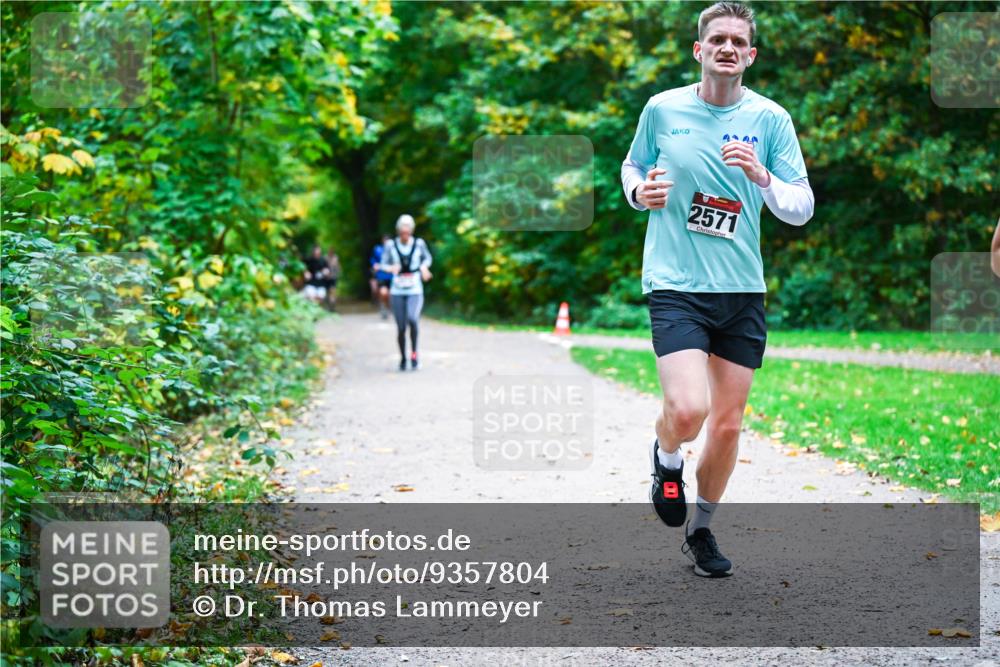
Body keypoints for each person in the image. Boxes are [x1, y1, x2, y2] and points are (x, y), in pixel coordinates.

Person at [621, 1, 814, 577]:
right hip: (676, 283)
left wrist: (762, 176)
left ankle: (701, 532)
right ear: (699, 50)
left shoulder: (771, 120)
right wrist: (639, 194)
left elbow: (801, 208)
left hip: (740, 291)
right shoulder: (662, 109)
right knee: (687, 411)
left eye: (738, 41)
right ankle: (666, 456)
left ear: (750, 56)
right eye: (717, 39)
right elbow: (632, 168)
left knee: (727, 425)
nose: (727, 48)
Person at [380, 215, 432, 371]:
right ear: (398, 231)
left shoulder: (419, 244)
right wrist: (391, 268)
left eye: (407, 232)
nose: (405, 235)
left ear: (411, 231)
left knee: (413, 319)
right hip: (397, 290)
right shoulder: (391, 245)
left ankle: (414, 355)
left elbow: (427, 258)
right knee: (401, 327)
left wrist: (424, 268)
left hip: (414, 289)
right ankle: (403, 358)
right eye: (402, 232)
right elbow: (383, 264)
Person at [370, 234, 393, 319]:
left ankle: (388, 308)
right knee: (383, 293)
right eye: (385, 240)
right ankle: (383, 306)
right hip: (381, 275)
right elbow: (373, 260)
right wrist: (374, 265)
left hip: (392, 276)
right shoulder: (378, 249)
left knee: (390, 294)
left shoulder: (394, 250)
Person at [324, 247, 341, 311]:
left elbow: (338, 267)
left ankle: (332, 306)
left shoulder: (336, 258)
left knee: (333, 291)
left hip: (333, 277)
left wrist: (338, 273)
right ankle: (329, 305)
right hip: (326, 278)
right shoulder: (325, 257)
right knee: (327, 292)